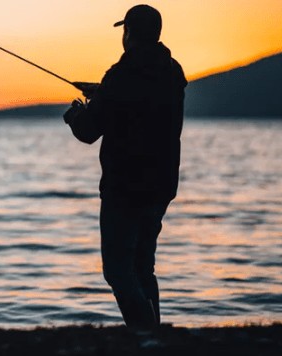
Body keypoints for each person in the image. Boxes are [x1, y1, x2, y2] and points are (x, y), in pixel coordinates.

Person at [63, 4, 187, 330]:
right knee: (143, 267)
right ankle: (153, 335)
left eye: (125, 31)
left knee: (118, 270)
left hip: (124, 187)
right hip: (160, 185)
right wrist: (103, 94)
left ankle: (144, 331)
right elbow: (140, 104)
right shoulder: (173, 72)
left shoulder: (121, 76)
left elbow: (89, 131)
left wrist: (75, 112)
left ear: (129, 33)